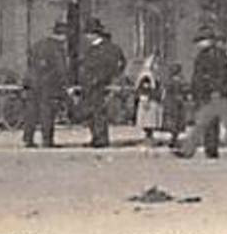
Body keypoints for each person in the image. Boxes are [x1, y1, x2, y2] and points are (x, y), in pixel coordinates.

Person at [175, 25, 227, 158]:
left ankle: (187, 150)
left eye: (201, 40)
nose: (199, 44)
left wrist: (212, 88)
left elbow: (217, 75)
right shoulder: (210, 54)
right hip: (215, 94)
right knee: (223, 122)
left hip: (216, 94)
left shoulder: (213, 54)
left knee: (207, 123)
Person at [79, 18, 126, 149]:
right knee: (92, 112)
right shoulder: (101, 48)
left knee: (98, 112)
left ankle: (100, 138)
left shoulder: (107, 49)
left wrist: (105, 78)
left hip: (99, 84)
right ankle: (96, 137)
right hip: (91, 84)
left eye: (87, 34)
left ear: (93, 34)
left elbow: (115, 65)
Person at [22, 20, 70, 148]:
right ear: (63, 36)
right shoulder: (57, 48)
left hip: (32, 82)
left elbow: (29, 61)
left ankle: (28, 139)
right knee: (47, 112)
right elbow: (61, 68)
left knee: (31, 111)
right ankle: (47, 140)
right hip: (48, 84)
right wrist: (66, 84)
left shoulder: (38, 44)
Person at [134, 56, 164, 144]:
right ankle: (148, 136)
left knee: (151, 120)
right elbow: (144, 89)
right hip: (148, 101)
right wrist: (145, 99)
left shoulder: (153, 74)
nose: (157, 66)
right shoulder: (146, 75)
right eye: (156, 64)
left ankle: (150, 135)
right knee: (148, 120)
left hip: (153, 100)